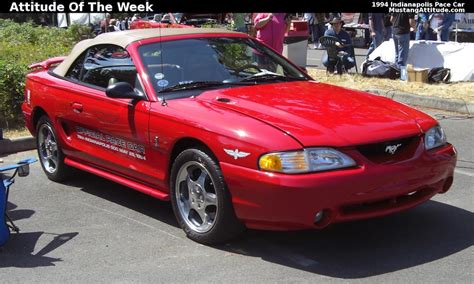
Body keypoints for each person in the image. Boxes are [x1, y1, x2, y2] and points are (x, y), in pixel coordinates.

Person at [391, 13, 416, 80]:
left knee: (397, 55)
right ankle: (403, 76)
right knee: (402, 57)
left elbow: (391, 19)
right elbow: (411, 21)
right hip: (403, 32)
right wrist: (415, 28)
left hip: (395, 31)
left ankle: (395, 74)